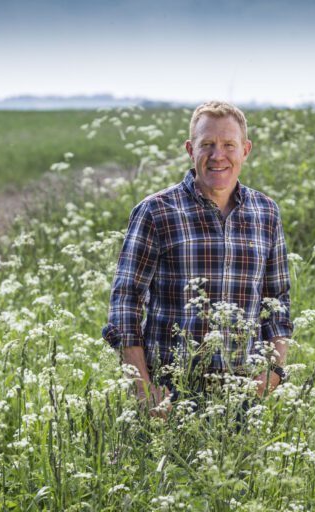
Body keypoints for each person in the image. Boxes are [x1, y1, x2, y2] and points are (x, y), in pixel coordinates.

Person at [102, 101, 292, 415]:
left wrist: (274, 371)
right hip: (170, 393)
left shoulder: (265, 212)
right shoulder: (156, 211)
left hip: (244, 394)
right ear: (191, 150)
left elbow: (277, 298)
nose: (218, 156)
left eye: (229, 145)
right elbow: (125, 303)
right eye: (207, 145)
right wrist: (143, 390)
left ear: (245, 150)